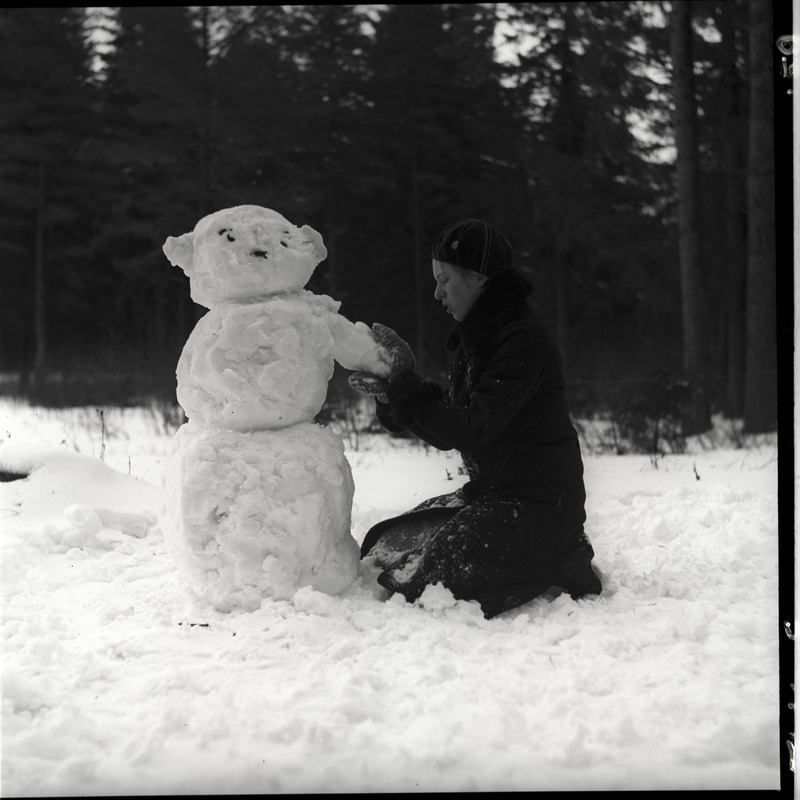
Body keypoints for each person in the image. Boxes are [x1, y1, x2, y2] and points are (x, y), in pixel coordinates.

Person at [349, 219, 602, 618]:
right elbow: (449, 417)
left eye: (445, 279)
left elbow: (469, 429)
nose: (437, 292)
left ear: (478, 277)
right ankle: (539, 552)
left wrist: (406, 387)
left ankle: (562, 554)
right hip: (492, 494)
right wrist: (392, 395)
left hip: (539, 505)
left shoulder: (522, 340)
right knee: (384, 547)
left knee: (434, 577)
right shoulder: (478, 337)